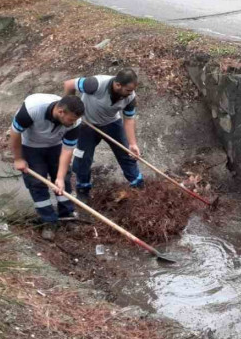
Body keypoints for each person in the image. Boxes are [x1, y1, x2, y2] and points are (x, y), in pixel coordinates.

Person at [10, 93, 84, 241]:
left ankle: (67, 214)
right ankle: (48, 220)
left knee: (64, 180)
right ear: (60, 111)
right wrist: (18, 158)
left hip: (55, 146)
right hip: (30, 145)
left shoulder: (75, 122)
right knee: (37, 182)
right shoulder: (32, 109)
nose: (72, 123)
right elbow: (15, 132)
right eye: (70, 120)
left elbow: (67, 150)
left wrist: (60, 177)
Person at [63, 69, 143, 203]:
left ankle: (138, 184)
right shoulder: (95, 84)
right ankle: (83, 190)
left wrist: (133, 144)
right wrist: (70, 110)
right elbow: (69, 84)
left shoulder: (130, 97)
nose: (131, 93)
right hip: (87, 124)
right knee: (82, 158)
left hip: (112, 123)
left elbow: (128, 120)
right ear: (118, 85)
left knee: (126, 153)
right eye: (128, 90)